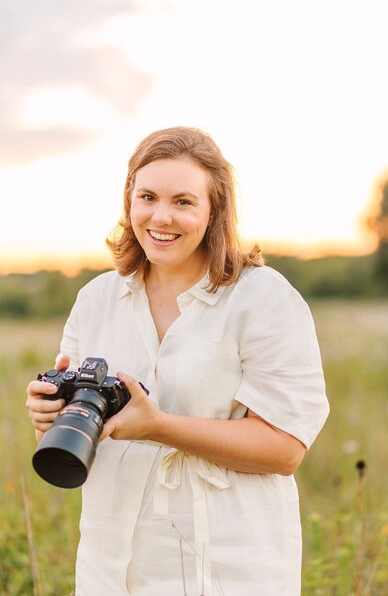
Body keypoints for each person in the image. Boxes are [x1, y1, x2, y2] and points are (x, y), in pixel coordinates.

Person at [26, 126, 329, 596]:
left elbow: (285, 448)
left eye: (183, 202)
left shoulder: (264, 298)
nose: (160, 216)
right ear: (129, 201)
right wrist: (50, 413)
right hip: (112, 564)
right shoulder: (96, 299)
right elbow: (85, 428)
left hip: (228, 563)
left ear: (214, 211)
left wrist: (159, 426)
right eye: (147, 196)